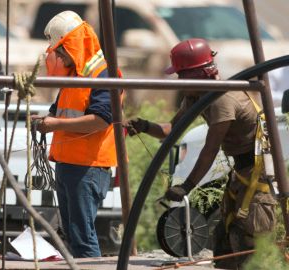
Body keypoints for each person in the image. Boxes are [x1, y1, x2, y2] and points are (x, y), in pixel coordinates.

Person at [125, 38, 277, 269]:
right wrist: (145, 126)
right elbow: (171, 130)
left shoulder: (222, 99)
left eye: (181, 75)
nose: (178, 81)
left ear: (199, 74)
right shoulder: (197, 96)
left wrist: (186, 186)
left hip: (258, 168)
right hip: (242, 168)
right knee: (225, 239)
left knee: (252, 236)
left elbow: (210, 148)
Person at [32, 10, 118, 258]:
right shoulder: (75, 76)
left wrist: (54, 125)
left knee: (82, 236)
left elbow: (101, 120)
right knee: (72, 234)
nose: (57, 55)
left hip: (88, 167)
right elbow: (57, 112)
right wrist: (43, 121)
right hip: (70, 165)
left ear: (73, 44)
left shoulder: (102, 74)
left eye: (60, 50)